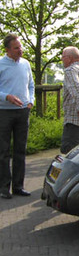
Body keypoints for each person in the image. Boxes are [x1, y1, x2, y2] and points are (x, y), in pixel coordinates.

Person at [0, 34, 35, 199]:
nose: (20, 50)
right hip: (4, 112)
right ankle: (4, 187)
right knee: (3, 151)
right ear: (7, 50)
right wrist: (6, 96)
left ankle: (18, 186)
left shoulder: (26, 64)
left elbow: (31, 85)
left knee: (20, 150)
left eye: (20, 47)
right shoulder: (0, 64)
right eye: (16, 48)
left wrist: (31, 101)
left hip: (23, 112)